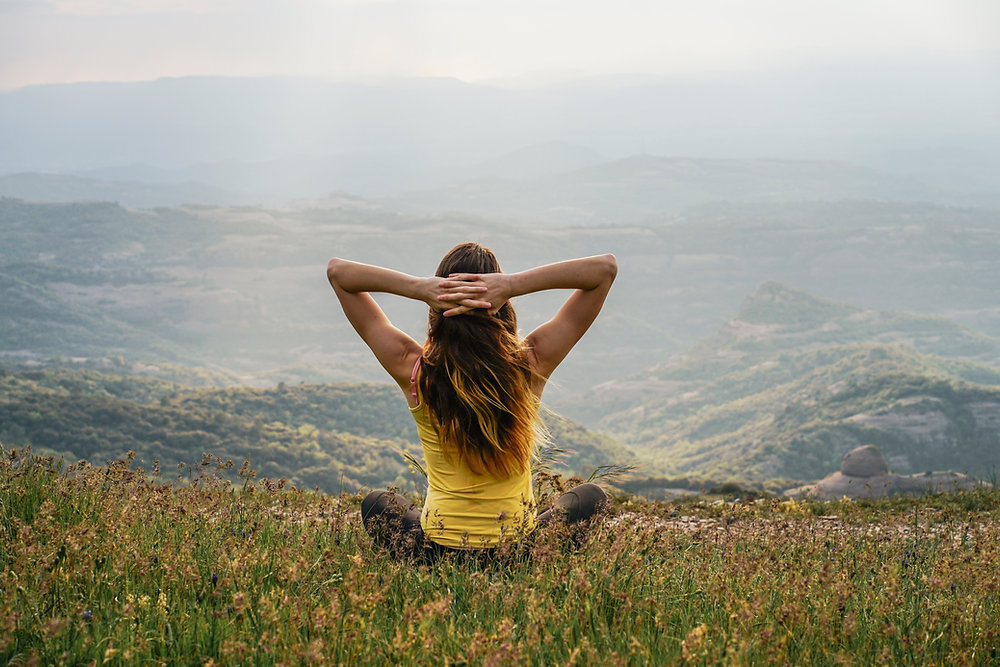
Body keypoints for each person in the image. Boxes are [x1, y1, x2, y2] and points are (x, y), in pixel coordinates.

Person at [326, 242, 616, 556]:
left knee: (378, 504)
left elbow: (339, 273)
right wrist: (512, 285)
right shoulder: (530, 364)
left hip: (435, 553)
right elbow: (604, 270)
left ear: (437, 303)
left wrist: (419, 288)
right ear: (500, 303)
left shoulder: (413, 369)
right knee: (590, 497)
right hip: (517, 554)